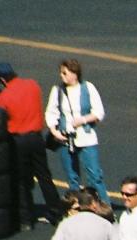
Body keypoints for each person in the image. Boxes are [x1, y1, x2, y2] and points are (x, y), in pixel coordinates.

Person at [0, 62, 60, 230]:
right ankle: (56, 212)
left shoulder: (4, 97)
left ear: (2, 80)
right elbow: (21, 97)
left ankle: (25, 219)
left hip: (18, 141)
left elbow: (0, 114)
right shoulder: (32, 85)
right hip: (36, 139)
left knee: (21, 180)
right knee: (44, 176)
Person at [44, 58, 109, 202]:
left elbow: (99, 112)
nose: (61, 76)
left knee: (95, 175)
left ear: (74, 73)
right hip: (65, 138)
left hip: (86, 137)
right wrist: (55, 132)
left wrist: (83, 120)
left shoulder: (88, 88)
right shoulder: (57, 90)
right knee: (72, 177)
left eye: (65, 73)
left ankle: (103, 205)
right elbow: (51, 112)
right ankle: (77, 206)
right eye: (61, 73)